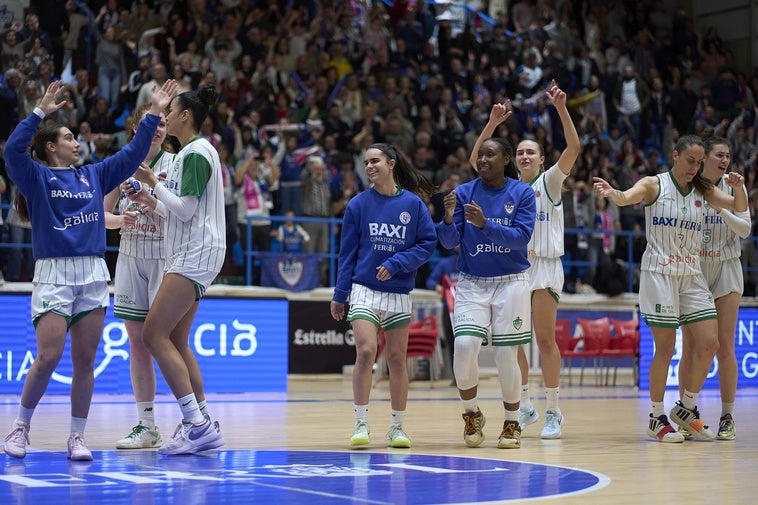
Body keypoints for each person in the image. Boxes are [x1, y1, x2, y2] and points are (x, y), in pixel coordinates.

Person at [2, 78, 175, 460]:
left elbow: (132, 155)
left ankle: (76, 436)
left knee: (84, 363)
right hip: (54, 273)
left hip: (94, 273)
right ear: (51, 147)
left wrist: (155, 112)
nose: (76, 141)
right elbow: (13, 151)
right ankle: (19, 428)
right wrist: (40, 112)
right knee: (48, 357)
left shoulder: (93, 175)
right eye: (67, 137)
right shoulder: (37, 177)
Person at [593, 135, 747, 443]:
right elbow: (627, 197)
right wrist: (613, 193)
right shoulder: (654, 184)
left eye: (699, 162)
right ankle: (655, 416)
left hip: (691, 274)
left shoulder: (703, 189)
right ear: (675, 155)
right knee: (665, 348)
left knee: (710, 344)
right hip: (660, 274)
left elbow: (738, 207)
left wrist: (739, 186)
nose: (694, 167)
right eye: (690, 160)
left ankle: (686, 408)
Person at [126, 85, 226, 455]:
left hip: (195, 253)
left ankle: (196, 425)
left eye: (170, 111)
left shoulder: (196, 152)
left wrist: (153, 183)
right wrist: (150, 201)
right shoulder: (190, 152)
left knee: (152, 335)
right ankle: (202, 419)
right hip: (193, 249)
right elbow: (178, 210)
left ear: (186, 116)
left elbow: (185, 210)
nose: (164, 117)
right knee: (177, 341)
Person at [438, 109, 536, 449]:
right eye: (479, 154)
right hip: (472, 281)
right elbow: (449, 243)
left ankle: (512, 422)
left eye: (489, 153)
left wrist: (485, 225)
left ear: (506, 159)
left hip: (512, 281)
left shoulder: (522, 194)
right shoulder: (464, 193)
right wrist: (449, 219)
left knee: (507, 356)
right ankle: (472, 414)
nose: (482, 158)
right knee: (465, 347)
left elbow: (521, 238)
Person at [330, 143, 437, 449]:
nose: (369, 166)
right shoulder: (357, 205)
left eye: (375, 161)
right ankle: (361, 423)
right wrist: (341, 294)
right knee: (365, 351)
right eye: (366, 162)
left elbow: (427, 244)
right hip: (364, 289)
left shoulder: (414, 205)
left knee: (397, 360)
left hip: (398, 291)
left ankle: (397, 427)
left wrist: (397, 264)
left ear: (391, 163)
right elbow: (346, 254)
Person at [512, 81, 582, 439]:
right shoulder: (507, 191)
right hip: (515, 269)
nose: (525, 156)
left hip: (545, 265)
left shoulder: (550, 182)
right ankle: (525, 405)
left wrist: (561, 109)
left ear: (541, 159)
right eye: (520, 153)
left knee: (543, 340)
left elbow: (574, 147)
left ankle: (554, 408)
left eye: (530, 152)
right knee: (514, 341)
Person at [102, 102, 174, 450]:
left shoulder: (177, 162)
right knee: (137, 342)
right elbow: (101, 214)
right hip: (130, 256)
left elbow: (185, 215)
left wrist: (153, 202)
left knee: (166, 341)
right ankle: (146, 425)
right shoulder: (121, 163)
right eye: (151, 122)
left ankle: (193, 419)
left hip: (164, 255)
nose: (158, 128)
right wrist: (121, 221)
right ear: (136, 126)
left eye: (162, 123)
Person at [678, 136, 750, 441]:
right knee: (691, 347)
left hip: (726, 268)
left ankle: (727, 415)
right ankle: (687, 413)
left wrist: (725, 205)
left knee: (724, 345)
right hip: (694, 270)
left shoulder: (735, 189)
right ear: (704, 158)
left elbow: (745, 229)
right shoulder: (690, 186)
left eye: (728, 156)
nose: (725, 161)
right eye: (719, 155)